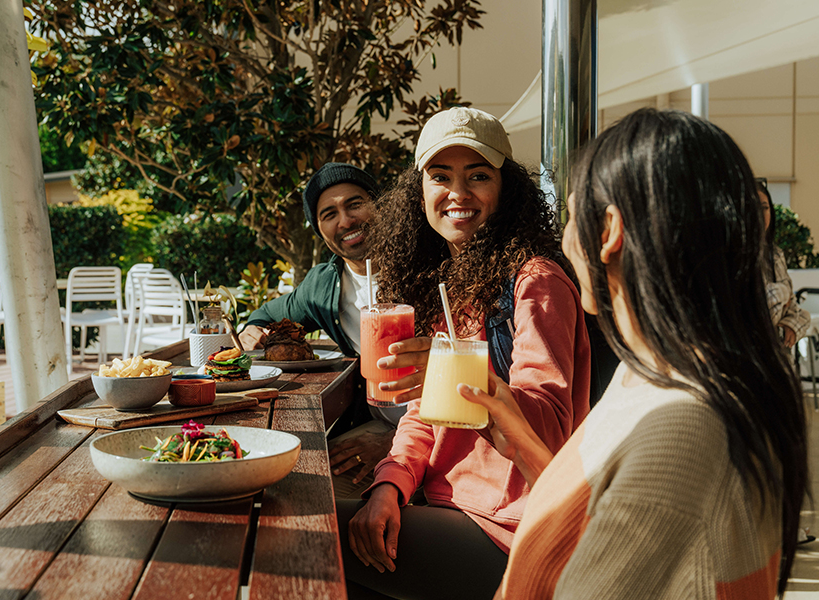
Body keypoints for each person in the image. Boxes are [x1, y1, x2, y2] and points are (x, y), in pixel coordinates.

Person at [460, 108, 808, 598]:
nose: (563, 238)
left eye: (570, 213)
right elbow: (602, 518)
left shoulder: (685, 425)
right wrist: (526, 448)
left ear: (608, 231)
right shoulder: (655, 371)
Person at [338, 107, 591, 600]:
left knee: (304, 532)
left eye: (478, 175)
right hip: (443, 502)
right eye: (440, 176)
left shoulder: (534, 283)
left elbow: (550, 430)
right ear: (420, 193)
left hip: (509, 527)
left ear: (507, 190)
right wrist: (388, 487)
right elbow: (420, 420)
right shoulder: (446, 284)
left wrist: (460, 375)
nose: (458, 192)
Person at [239, 162, 404, 497]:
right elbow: (268, 314)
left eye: (355, 204)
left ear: (381, 205)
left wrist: (395, 440)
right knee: (292, 486)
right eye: (329, 214)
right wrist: (252, 328)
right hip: (374, 425)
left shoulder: (426, 266)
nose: (345, 221)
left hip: (437, 432)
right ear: (320, 230)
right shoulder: (324, 285)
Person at [758, 180, 810, 349]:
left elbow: (797, 311)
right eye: (753, 207)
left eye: (765, 207)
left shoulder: (775, 254)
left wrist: (791, 326)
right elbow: (759, 312)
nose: (760, 213)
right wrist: (783, 292)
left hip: (777, 358)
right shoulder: (732, 255)